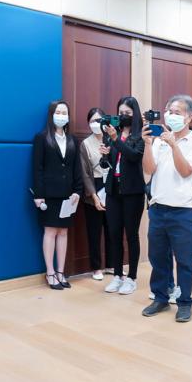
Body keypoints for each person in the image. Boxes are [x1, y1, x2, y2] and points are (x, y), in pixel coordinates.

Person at [142, 95, 192, 322]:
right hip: (158, 208)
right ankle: (160, 297)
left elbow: (186, 171)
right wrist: (148, 144)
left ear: (189, 117)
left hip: (182, 211)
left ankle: (185, 302)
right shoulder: (158, 141)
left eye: (177, 112)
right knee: (158, 257)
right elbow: (149, 169)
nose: (171, 115)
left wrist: (173, 145)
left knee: (184, 260)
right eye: (169, 111)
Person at [31, 101, 84, 290]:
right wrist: (38, 195)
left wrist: (77, 191)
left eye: (64, 112)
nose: (61, 115)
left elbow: (77, 167)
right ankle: (50, 272)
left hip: (68, 195)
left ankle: (61, 272)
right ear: (51, 114)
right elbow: (37, 168)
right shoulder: (41, 138)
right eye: (58, 112)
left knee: (63, 232)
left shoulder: (72, 140)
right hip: (48, 195)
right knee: (50, 232)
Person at [102, 97, 147, 295]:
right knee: (113, 234)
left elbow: (134, 156)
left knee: (131, 235)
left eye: (127, 113)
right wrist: (104, 155)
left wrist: (115, 141)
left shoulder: (141, 135)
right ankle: (117, 275)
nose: (123, 116)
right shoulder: (115, 133)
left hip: (133, 192)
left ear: (134, 114)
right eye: (120, 112)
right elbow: (107, 164)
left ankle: (132, 277)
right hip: (113, 190)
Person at [80, 108, 110, 281]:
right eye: (92, 121)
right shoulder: (85, 144)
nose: (96, 124)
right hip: (94, 187)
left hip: (111, 186)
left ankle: (112, 265)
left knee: (112, 229)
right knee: (94, 231)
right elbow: (84, 173)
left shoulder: (111, 138)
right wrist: (93, 195)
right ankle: (96, 268)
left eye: (99, 120)